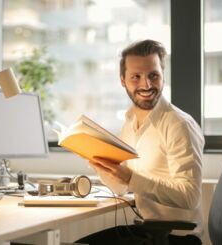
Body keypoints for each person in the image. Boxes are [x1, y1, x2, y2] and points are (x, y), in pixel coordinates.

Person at [76, 39, 205, 245]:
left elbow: (189, 197)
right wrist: (101, 166)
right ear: (122, 80)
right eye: (136, 77)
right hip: (148, 230)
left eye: (153, 75)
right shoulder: (130, 122)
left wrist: (131, 177)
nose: (146, 85)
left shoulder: (179, 124)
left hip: (177, 237)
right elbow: (122, 189)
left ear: (162, 76)